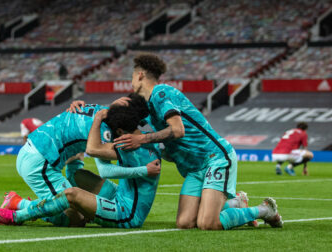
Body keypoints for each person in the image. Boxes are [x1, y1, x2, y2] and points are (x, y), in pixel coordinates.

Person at [66, 53, 283, 230]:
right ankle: (235, 203)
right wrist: (84, 108)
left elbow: (177, 130)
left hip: (215, 158)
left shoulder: (161, 94)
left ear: (140, 75)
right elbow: (120, 116)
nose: (131, 82)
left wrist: (141, 138)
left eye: (132, 76)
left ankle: (265, 210)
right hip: (194, 169)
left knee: (208, 223)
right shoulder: (147, 105)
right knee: (185, 223)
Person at [0, 96, 161, 228]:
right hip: (40, 161)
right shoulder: (112, 133)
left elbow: (93, 155)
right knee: (74, 219)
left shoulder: (100, 111)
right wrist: (144, 170)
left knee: (76, 177)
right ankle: (18, 204)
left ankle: (21, 204)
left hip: (36, 151)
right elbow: (102, 165)